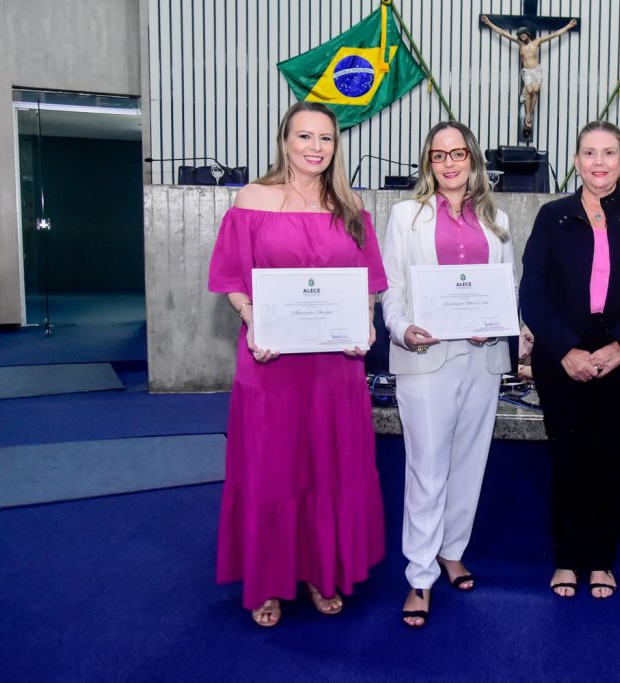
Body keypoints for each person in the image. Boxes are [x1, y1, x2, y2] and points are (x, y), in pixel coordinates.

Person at [207, 101, 387, 627]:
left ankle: (318, 571)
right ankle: (267, 581)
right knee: (270, 468)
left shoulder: (350, 204)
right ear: (285, 140)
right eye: (304, 137)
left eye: (326, 139)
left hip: (335, 365)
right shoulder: (252, 199)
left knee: (328, 468)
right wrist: (253, 318)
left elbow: (367, 283)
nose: (315, 147)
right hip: (270, 360)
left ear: (336, 146)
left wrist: (367, 324)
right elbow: (231, 280)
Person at [519, 121, 620, 599]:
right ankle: (567, 559)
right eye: (589, 153)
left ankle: (602, 560)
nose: (599, 162)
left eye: (609, 153)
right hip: (561, 354)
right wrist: (566, 349)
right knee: (567, 459)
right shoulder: (553, 215)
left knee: (609, 460)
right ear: (575, 161)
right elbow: (533, 291)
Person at [380, 122, 514, 628]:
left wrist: (501, 327)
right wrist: (402, 327)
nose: (450, 163)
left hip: (481, 360)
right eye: (439, 156)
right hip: (426, 357)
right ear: (428, 164)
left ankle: (451, 549)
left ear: (473, 159)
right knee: (427, 468)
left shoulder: (497, 219)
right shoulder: (405, 216)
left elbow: (508, 286)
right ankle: (419, 573)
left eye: (458, 153)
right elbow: (391, 287)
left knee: (468, 464)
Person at [480, 15, 578, 136]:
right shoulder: (520, 44)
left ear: (527, 34)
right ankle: (528, 115)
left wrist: (569, 26)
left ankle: (530, 111)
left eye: (523, 34)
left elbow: (554, 35)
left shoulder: (537, 42)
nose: (521, 37)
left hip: (537, 70)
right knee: (530, 90)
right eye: (520, 35)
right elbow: (503, 33)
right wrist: (489, 23)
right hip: (527, 71)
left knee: (535, 91)